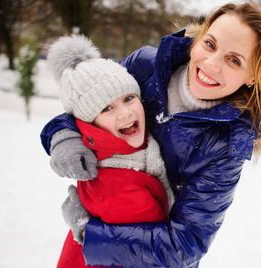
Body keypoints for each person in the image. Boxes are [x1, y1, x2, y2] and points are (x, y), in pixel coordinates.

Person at [41, 1, 261, 267]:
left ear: (252, 76)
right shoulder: (146, 66)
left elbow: (185, 245)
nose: (212, 64)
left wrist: (90, 233)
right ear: (197, 40)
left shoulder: (227, 146)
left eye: (234, 60)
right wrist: (63, 137)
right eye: (210, 44)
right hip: (91, 238)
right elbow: (88, 102)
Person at [45, 35, 175, 267]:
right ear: (89, 123)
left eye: (128, 98)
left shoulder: (134, 149)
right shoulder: (118, 183)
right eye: (107, 108)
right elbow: (154, 252)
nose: (124, 113)